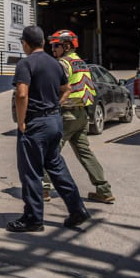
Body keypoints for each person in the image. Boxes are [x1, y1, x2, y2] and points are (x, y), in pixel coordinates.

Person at [7, 25, 90, 233]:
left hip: (35, 125)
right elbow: (67, 89)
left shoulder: (25, 64)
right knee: (56, 167)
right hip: (54, 122)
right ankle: (77, 210)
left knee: (31, 172)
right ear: (43, 43)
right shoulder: (55, 63)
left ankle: (33, 218)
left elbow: (22, 94)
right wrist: (55, 106)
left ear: (25, 44)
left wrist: (21, 122)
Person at [44, 29, 115, 204]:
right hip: (81, 115)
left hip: (66, 114)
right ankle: (104, 190)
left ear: (67, 46)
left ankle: (43, 189)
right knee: (85, 153)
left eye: (56, 45)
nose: (52, 49)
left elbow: (57, 88)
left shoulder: (62, 64)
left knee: (49, 151)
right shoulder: (81, 63)